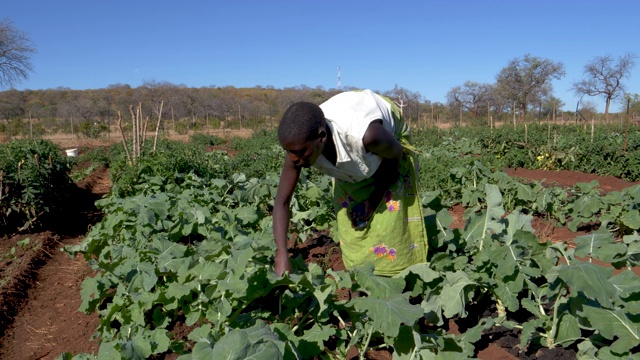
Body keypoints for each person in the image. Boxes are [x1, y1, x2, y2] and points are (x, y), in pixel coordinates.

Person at [273, 89, 428, 277]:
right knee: (351, 226)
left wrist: (372, 201)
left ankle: (398, 279)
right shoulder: (299, 146)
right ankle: (358, 284)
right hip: (348, 148)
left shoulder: (369, 136)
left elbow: (395, 155)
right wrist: (281, 252)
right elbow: (282, 200)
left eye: (298, 152)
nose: (292, 159)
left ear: (322, 137)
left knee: (390, 226)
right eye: (287, 151)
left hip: (389, 152)